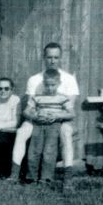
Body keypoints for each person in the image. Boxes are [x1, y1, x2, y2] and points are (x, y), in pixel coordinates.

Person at [10, 42, 79, 184]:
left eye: (56, 57)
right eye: (49, 57)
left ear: (60, 58)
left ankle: (68, 178)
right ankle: (14, 174)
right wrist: (35, 116)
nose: (53, 61)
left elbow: (69, 109)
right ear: (44, 57)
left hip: (61, 119)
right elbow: (30, 107)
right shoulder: (34, 80)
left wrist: (55, 116)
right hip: (38, 118)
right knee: (21, 132)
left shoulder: (69, 79)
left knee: (66, 133)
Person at [24, 68, 74, 184]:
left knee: (49, 152)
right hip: (38, 125)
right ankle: (31, 177)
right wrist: (35, 116)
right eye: (47, 85)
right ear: (43, 84)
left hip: (53, 126)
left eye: (53, 85)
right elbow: (26, 112)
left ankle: (46, 178)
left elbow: (72, 114)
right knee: (34, 151)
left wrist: (57, 116)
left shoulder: (62, 98)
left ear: (59, 83)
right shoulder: (37, 97)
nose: (50, 88)